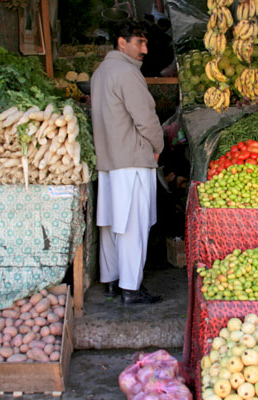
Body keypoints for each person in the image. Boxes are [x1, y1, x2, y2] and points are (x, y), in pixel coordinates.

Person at [91, 21, 164, 305]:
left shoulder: (100, 73)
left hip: (108, 161)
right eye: (139, 43)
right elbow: (145, 118)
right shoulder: (127, 72)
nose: (144, 49)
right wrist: (158, 147)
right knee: (132, 225)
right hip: (132, 159)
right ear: (122, 42)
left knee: (111, 225)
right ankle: (131, 288)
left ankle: (111, 281)